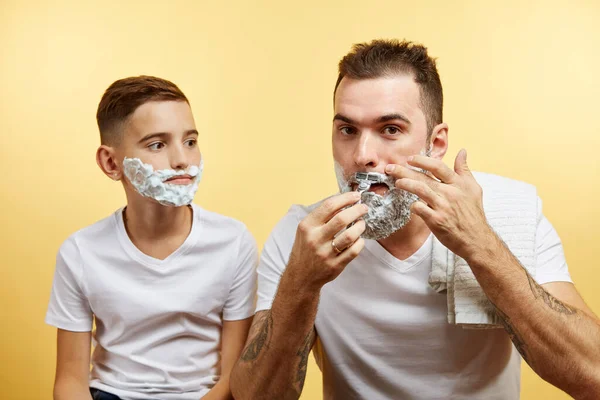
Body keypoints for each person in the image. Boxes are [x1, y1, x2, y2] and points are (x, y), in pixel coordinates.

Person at [230, 40, 600, 399]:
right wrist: (300, 284)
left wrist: (481, 245)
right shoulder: (304, 235)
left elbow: (594, 377)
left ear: (436, 144)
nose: (363, 155)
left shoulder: (507, 211)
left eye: (390, 129)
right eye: (348, 130)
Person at [45, 76, 257, 400]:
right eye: (157, 144)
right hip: (111, 393)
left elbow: (234, 377)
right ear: (111, 162)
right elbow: (70, 381)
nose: (181, 160)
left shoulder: (233, 242)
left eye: (190, 141)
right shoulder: (80, 252)